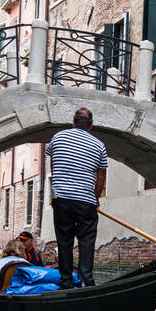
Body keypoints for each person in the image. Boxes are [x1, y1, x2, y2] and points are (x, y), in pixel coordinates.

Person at [45, 107, 108, 289]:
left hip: (62, 198)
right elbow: (101, 176)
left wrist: (57, 189)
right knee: (86, 240)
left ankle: (66, 281)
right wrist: (95, 198)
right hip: (85, 200)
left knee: (64, 240)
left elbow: (53, 164)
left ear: (73, 122)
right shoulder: (99, 145)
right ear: (92, 125)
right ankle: (86, 281)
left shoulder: (58, 137)